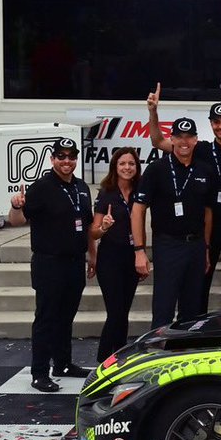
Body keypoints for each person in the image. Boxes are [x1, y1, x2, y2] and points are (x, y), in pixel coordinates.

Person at [148, 89, 221, 310]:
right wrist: (153, 112)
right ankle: (198, 335)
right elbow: (158, 141)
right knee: (199, 287)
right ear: (211, 124)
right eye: (216, 122)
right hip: (206, 228)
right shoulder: (199, 148)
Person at [7, 137, 93, 393]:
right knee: (46, 317)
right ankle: (39, 372)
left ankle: (63, 364)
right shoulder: (42, 187)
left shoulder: (81, 187)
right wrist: (15, 206)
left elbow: (86, 225)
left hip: (75, 261)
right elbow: (17, 221)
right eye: (61, 157)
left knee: (67, 316)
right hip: (49, 263)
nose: (67, 161)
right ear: (52, 159)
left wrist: (92, 256)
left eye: (71, 157)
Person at [131, 117, 215, 329]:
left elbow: (208, 212)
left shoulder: (204, 170)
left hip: (196, 246)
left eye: (189, 137)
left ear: (196, 139)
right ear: (172, 139)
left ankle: (185, 356)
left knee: (192, 310)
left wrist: (205, 247)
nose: (184, 142)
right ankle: (158, 356)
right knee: (163, 308)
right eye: (179, 137)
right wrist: (139, 250)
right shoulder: (156, 169)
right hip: (168, 245)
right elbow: (138, 209)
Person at [89, 147, 142, 362]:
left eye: (131, 164)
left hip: (132, 256)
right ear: (115, 166)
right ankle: (103, 360)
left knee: (124, 312)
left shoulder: (141, 190)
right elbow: (93, 231)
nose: (127, 168)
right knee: (116, 312)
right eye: (122, 164)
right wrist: (104, 227)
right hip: (110, 257)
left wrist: (142, 256)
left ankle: (119, 359)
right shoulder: (106, 192)